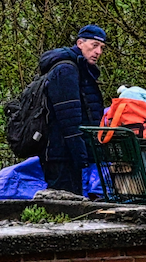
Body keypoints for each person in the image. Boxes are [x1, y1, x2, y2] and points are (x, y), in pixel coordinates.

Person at [38, 24, 107, 195]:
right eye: (94, 45)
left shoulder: (81, 70)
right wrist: (81, 155)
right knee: (64, 204)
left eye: (102, 48)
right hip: (61, 152)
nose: (98, 52)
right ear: (80, 43)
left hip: (66, 151)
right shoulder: (66, 70)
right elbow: (69, 119)